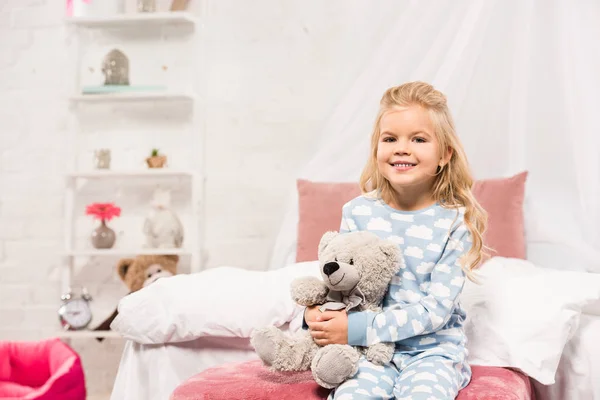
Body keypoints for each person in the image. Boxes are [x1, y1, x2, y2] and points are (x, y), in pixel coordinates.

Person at [305, 81, 487, 399]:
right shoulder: (358, 212)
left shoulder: (454, 221)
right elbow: (340, 280)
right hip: (368, 350)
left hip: (432, 352)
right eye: (390, 139)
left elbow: (436, 310)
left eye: (418, 139)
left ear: (445, 154)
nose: (402, 148)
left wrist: (357, 328)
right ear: (377, 148)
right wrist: (317, 316)